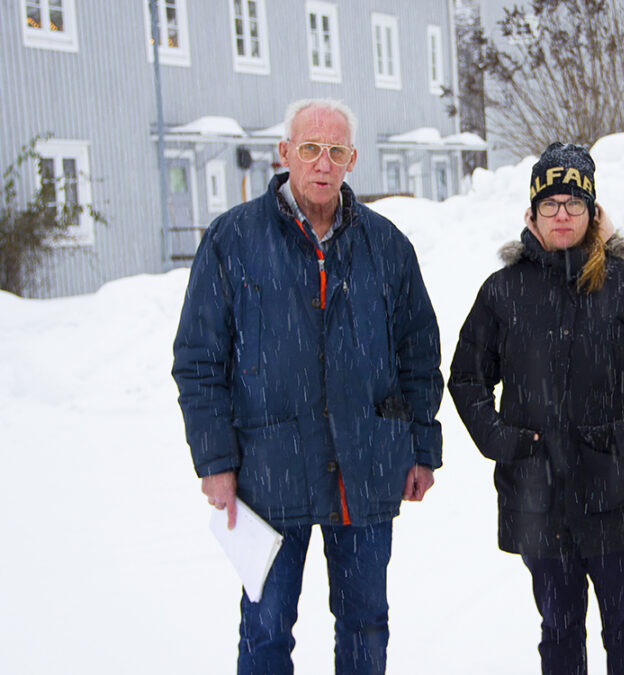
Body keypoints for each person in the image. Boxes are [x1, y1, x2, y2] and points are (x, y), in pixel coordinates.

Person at [172, 98, 443, 675]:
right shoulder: (233, 239)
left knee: (365, 625)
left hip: (365, 467)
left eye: (336, 151)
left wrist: (421, 448)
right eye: (311, 148)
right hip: (267, 470)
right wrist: (215, 460)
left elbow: (419, 355)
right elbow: (198, 359)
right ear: (285, 153)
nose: (323, 163)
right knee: (265, 631)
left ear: (352, 161)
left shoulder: (387, 246)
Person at [448, 142, 624, 675]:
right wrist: (501, 440)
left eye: (574, 204)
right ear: (532, 216)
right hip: (539, 499)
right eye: (551, 205)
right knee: (558, 633)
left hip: (620, 494)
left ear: (593, 213)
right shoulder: (502, 293)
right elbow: (466, 377)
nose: (563, 215)